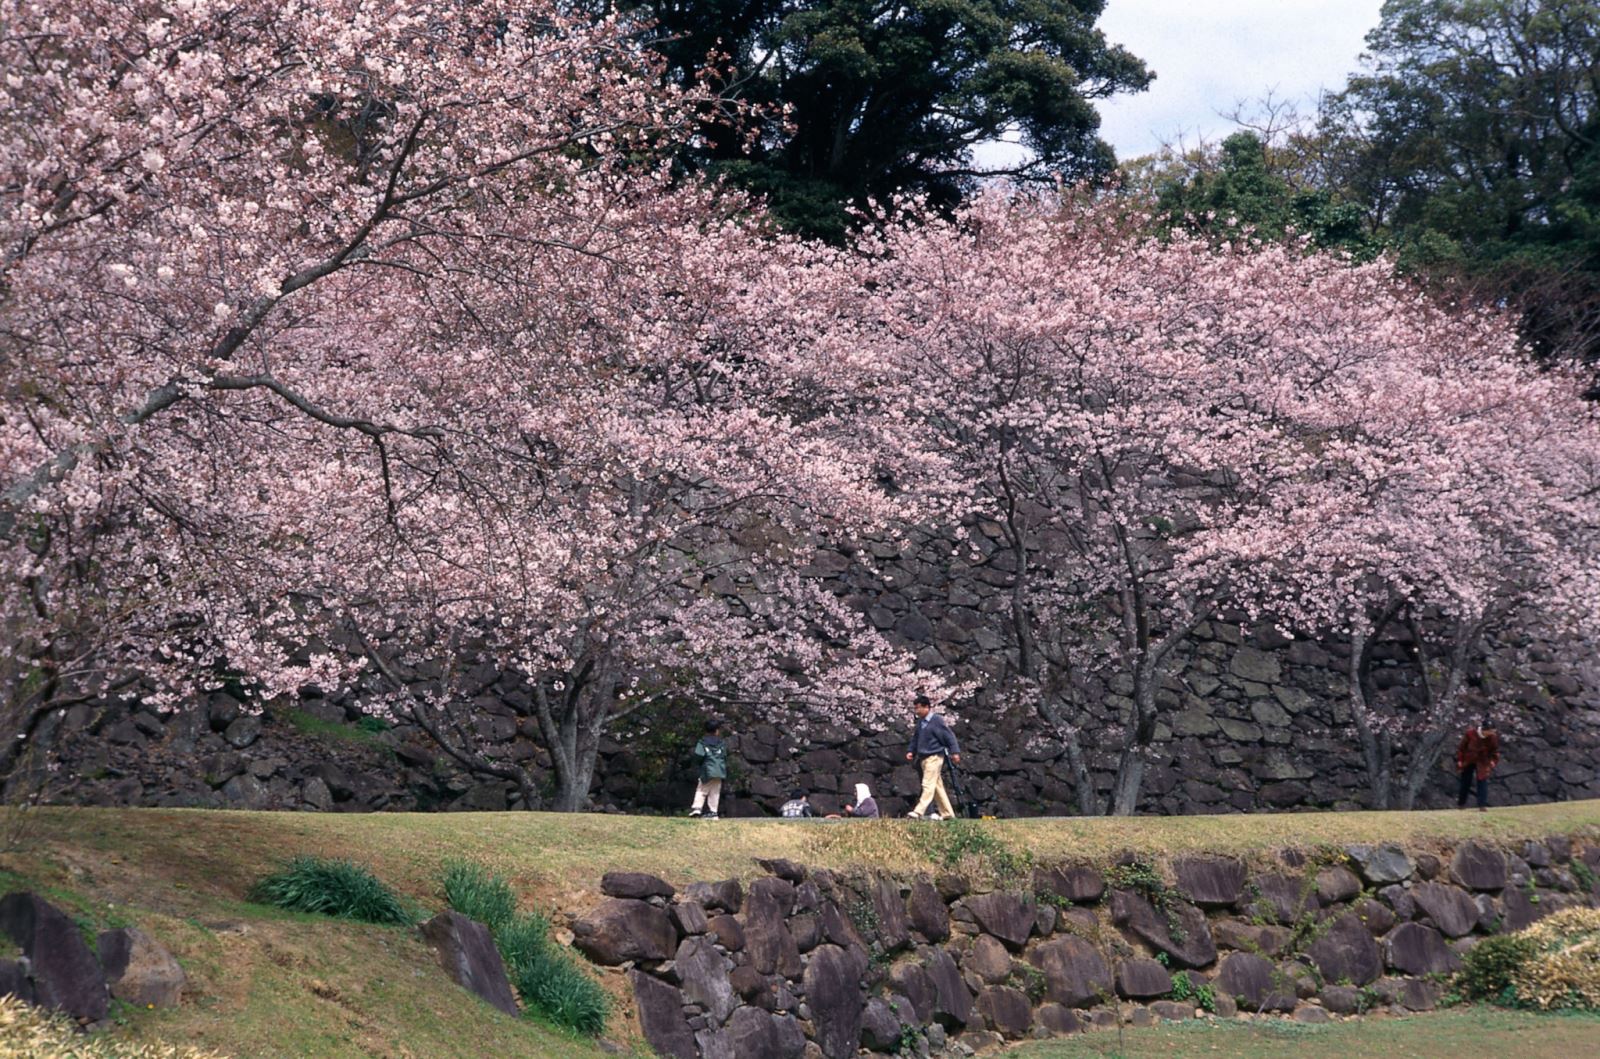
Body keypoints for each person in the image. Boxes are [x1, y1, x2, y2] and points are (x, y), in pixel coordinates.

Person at [905, 692, 959, 820]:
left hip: (934, 756)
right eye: (915, 708)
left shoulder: (936, 721)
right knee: (937, 786)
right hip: (924, 757)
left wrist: (955, 752)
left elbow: (949, 736)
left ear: (926, 707)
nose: (916, 711)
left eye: (918, 707)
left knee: (927, 784)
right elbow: (916, 738)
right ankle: (948, 813)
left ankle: (919, 811)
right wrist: (911, 750)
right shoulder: (921, 723)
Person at [1456, 717, 1501, 812]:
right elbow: (1461, 748)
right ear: (1484, 730)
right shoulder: (1470, 734)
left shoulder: (1493, 737)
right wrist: (1460, 760)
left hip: (1483, 761)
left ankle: (1482, 805)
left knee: (1482, 781)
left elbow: (1495, 751)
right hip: (1468, 760)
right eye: (1490, 730)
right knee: (1465, 782)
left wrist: (1493, 762)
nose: (1492, 732)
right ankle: (1461, 803)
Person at [689, 719, 728, 819]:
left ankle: (697, 808)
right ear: (717, 731)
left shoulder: (702, 742)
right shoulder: (721, 743)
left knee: (701, 789)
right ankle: (713, 812)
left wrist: (698, 763)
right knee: (715, 791)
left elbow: (699, 754)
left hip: (707, 769)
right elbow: (724, 755)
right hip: (719, 770)